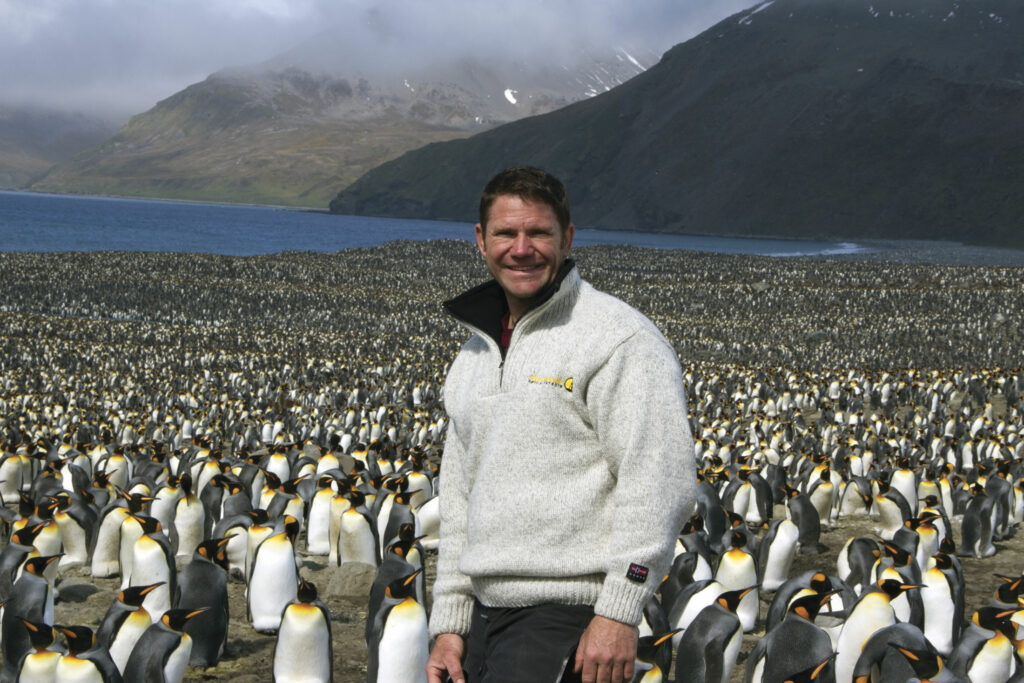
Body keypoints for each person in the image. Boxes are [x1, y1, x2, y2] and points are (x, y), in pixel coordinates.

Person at [426, 166, 696, 683]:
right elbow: (460, 499)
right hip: (483, 620)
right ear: (481, 241)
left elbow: (659, 481)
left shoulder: (618, 339)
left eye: (539, 233)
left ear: (567, 238)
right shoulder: (474, 354)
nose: (521, 248)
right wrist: (450, 623)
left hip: (568, 617)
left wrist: (619, 610)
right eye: (506, 233)